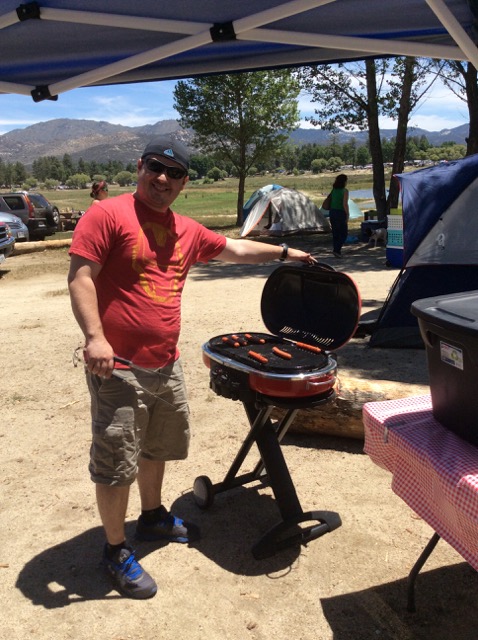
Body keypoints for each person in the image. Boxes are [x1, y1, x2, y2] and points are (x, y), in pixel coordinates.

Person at [67, 135, 315, 600]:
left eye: (174, 173)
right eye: (155, 168)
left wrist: (285, 253)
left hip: (166, 362)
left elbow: (235, 250)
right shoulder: (107, 214)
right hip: (117, 366)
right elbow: (81, 276)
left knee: (157, 446)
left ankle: (153, 516)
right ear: (139, 167)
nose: (163, 178)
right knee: (117, 460)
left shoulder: (185, 228)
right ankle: (115, 550)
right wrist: (95, 338)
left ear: (183, 182)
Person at [328, 174, 349, 258]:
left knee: (335, 232)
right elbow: (345, 204)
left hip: (332, 212)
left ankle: (336, 250)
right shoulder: (345, 191)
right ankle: (337, 250)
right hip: (340, 213)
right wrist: (347, 214)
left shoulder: (334, 190)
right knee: (344, 233)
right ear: (344, 181)